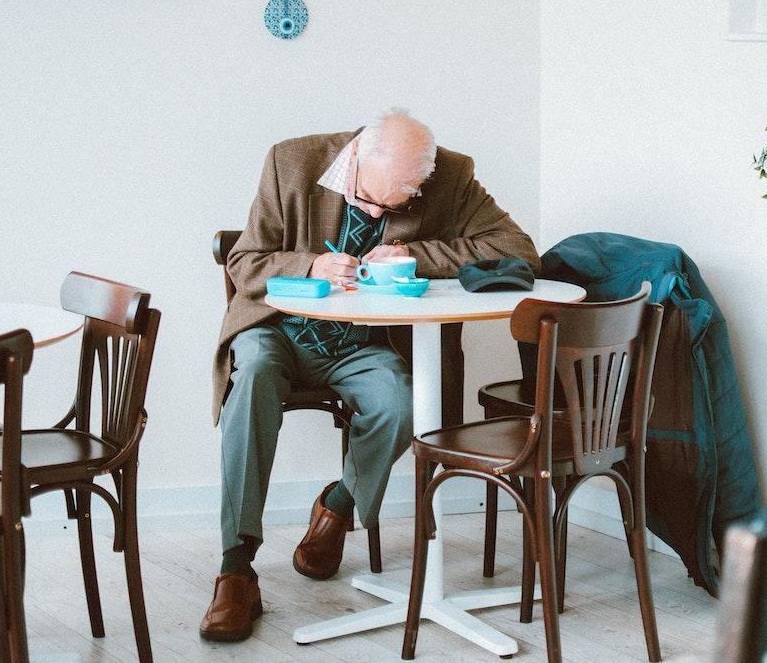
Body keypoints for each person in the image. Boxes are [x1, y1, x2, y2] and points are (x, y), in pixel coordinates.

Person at [200, 110, 539, 642]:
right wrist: (309, 265)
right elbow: (245, 261)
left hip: (362, 343)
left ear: (421, 181)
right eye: (367, 199)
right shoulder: (291, 160)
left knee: (402, 402)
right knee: (253, 384)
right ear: (355, 155)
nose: (375, 211)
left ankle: (338, 506)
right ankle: (236, 568)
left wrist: (414, 253)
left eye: (391, 205)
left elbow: (517, 249)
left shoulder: (451, 174)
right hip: (277, 330)